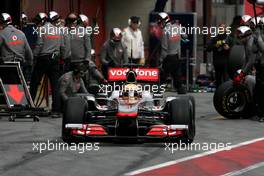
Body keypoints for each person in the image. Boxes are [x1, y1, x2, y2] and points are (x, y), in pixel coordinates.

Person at [30, 11, 66, 117]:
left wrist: (34, 56)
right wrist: (62, 58)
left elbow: (39, 44)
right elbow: (63, 47)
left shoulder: (42, 29)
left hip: (43, 59)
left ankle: (31, 106)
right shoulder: (59, 31)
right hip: (55, 60)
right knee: (55, 85)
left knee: (34, 82)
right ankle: (56, 110)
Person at [234, 26, 264, 122]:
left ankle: (262, 115)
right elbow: (246, 61)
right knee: (257, 91)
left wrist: (242, 75)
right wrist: (241, 73)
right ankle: (257, 113)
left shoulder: (251, 43)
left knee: (261, 91)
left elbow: (250, 62)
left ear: (245, 36)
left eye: (240, 36)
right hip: (260, 67)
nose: (239, 39)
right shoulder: (247, 43)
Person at [157, 12, 187, 93]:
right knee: (177, 76)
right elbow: (185, 37)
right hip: (177, 56)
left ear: (164, 21)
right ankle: (181, 91)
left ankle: (158, 91)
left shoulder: (165, 31)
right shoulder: (177, 27)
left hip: (168, 57)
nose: (160, 24)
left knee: (163, 76)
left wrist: (161, 60)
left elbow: (164, 48)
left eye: (160, 22)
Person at [207, 23, 231, 88]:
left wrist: (229, 48)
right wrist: (216, 46)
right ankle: (218, 93)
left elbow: (235, 49)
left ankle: (226, 92)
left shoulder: (229, 39)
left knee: (226, 79)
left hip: (226, 62)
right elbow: (208, 48)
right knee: (218, 79)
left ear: (225, 29)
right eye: (220, 28)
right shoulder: (215, 39)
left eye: (222, 28)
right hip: (217, 62)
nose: (221, 30)